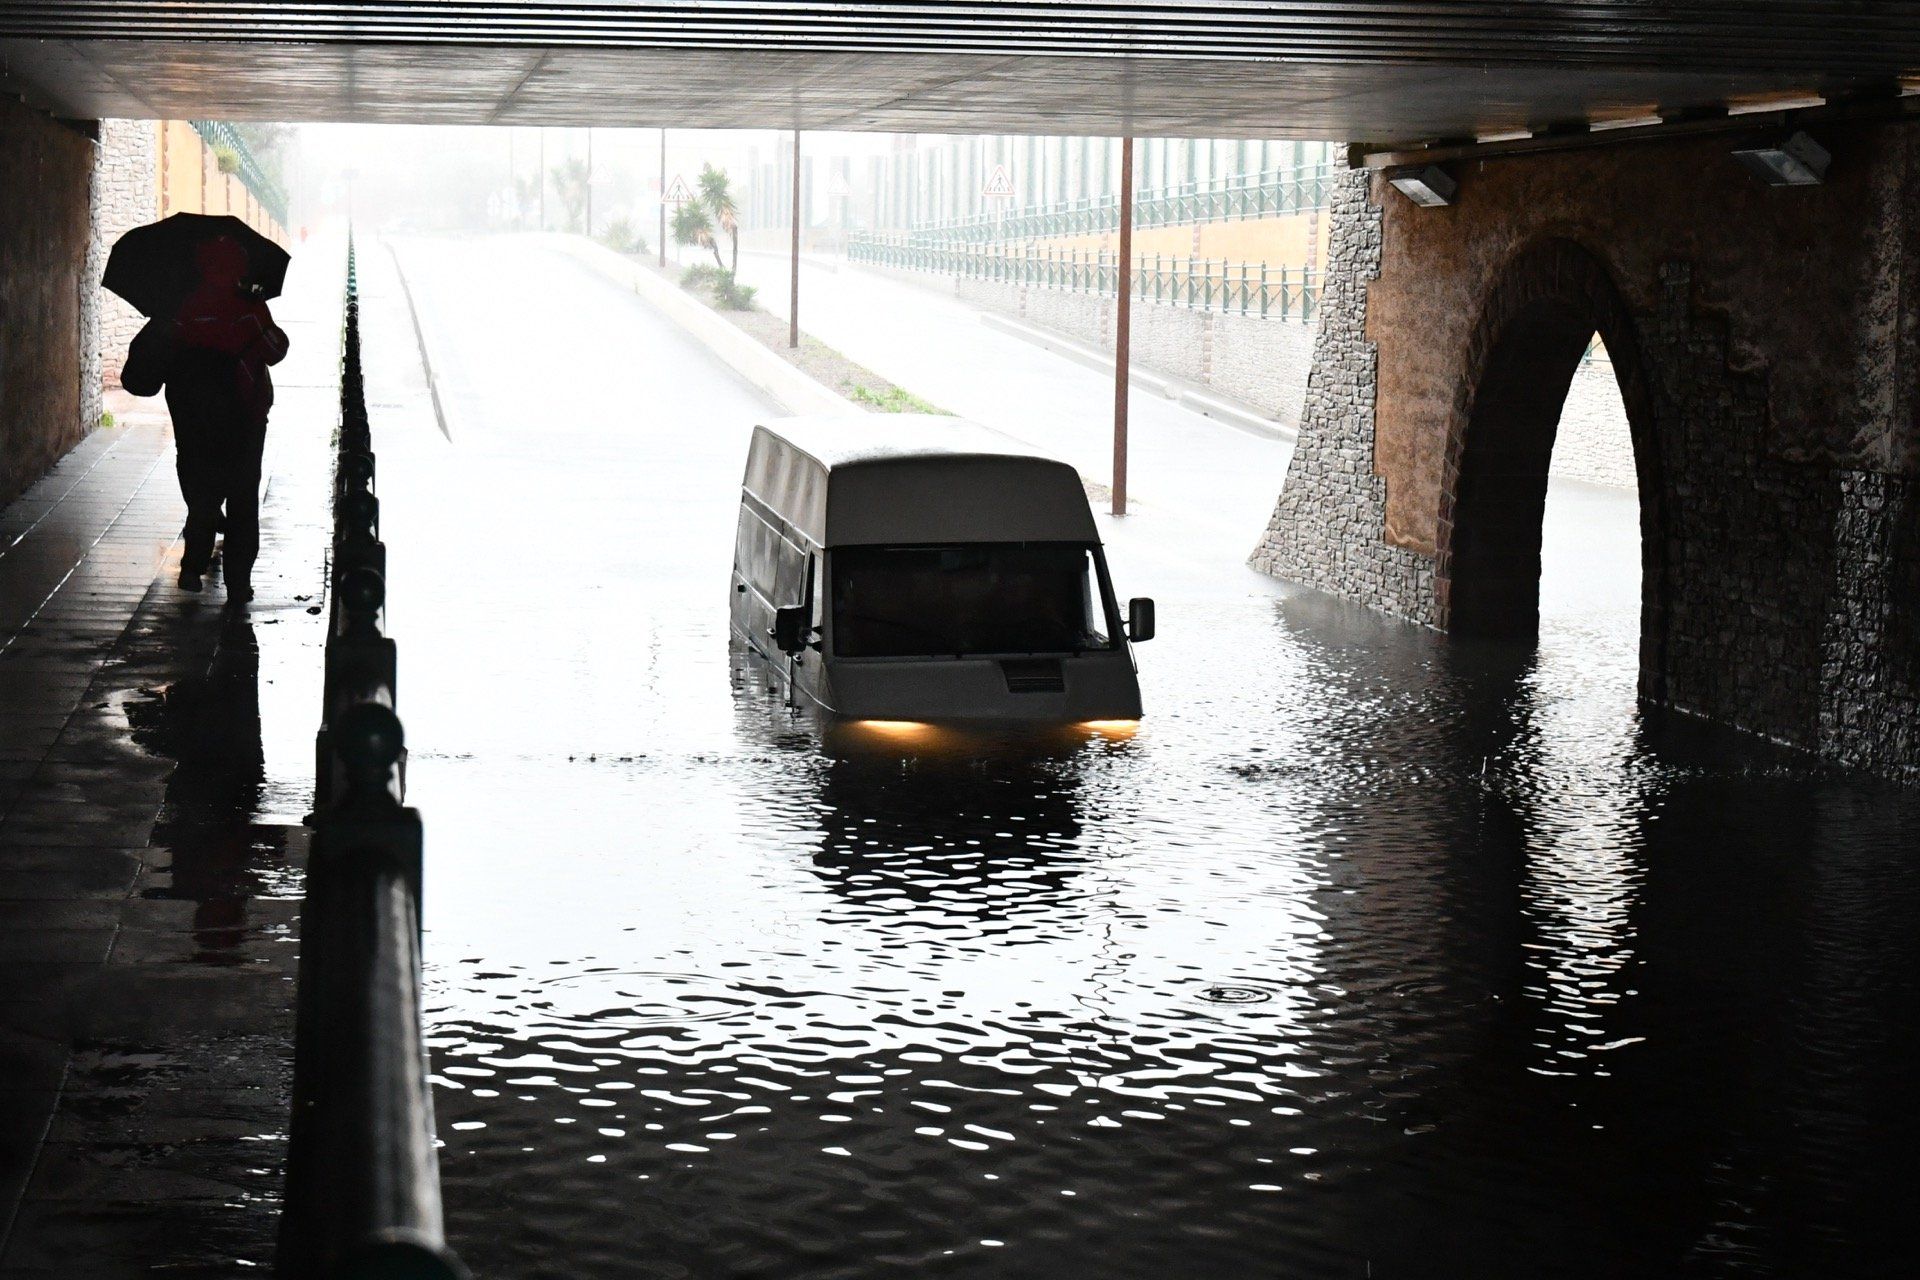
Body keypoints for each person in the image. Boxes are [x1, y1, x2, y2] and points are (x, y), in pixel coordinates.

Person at [162, 236, 289, 602]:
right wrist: (260, 317)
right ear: (239, 268)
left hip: (194, 417)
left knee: (201, 494)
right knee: (243, 497)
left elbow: (172, 352)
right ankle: (238, 580)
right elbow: (275, 351)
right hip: (244, 416)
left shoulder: (186, 304)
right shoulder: (249, 307)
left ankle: (192, 566)